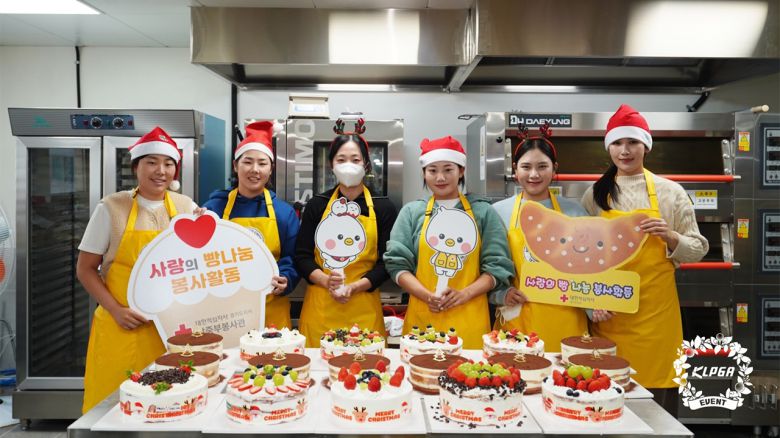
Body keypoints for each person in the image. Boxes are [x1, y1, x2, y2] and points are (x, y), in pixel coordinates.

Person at [581, 104, 708, 403]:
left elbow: (698, 250)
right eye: (617, 143)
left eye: (632, 142)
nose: (624, 151)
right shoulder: (595, 194)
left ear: (646, 146)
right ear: (609, 147)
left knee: (657, 406)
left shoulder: (670, 192)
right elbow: (584, 261)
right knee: (604, 399)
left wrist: (671, 236)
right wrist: (592, 302)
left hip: (656, 318)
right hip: (610, 316)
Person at [77, 127, 199, 412]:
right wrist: (116, 310)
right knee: (115, 407)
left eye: (168, 164)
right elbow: (85, 269)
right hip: (122, 327)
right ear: (136, 167)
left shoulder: (186, 207)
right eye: (151, 162)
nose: (161, 171)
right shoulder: (111, 208)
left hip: (171, 330)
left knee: (171, 405)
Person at [384, 136, 513, 349]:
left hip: (469, 317)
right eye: (432, 170)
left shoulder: (483, 212)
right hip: (423, 317)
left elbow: (497, 266)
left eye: (448, 169)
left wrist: (464, 294)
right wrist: (426, 296)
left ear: (461, 171)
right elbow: (397, 264)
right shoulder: (412, 212)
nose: (440, 177)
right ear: (424, 173)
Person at [295, 119, 397, 346]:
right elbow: (302, 256)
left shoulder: (383, 207)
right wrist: (326, 281)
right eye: (341, 160)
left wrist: (355, 286)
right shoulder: (317, 205)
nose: (348, 165)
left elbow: (387, 262)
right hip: (321, 307)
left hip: (364, 306)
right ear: (331, 165)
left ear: (366, 165)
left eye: (355, 159)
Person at [490, 124, 588, 350]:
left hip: (567, 317)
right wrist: (501, 294)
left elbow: (589, 269)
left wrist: (596, 307)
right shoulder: (498, 212)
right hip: (517, 317)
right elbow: (488, 265)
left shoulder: (575, 212)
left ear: (554, 169)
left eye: (542, 166)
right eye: (526, 167)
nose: (534, 174)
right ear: (515, 170)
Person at [203, 121, 300, 329]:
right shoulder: (213, 209)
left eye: (262, 163)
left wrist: (286, 278)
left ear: (271, 169)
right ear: (235, 165)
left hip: (271, 308)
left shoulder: (284, 213)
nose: (255, 170)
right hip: (224, 312)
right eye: (247, 162)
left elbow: (292, 257)